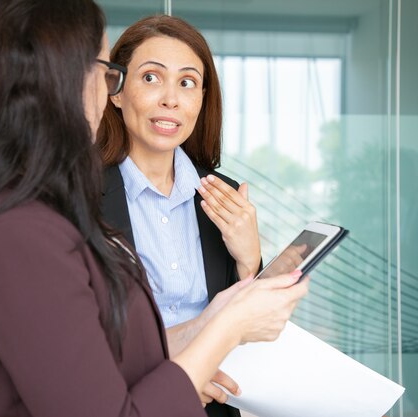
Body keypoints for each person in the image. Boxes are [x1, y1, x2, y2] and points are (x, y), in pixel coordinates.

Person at [0, 1, 308, 417]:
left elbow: (102, 358)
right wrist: (229, 325)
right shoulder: (19, 232)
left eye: (188, 83)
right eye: (106, 70)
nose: (109, 84)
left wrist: (218, 315)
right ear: (59, 79)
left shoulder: (42, 209)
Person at [97, 16, 262, 416]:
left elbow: (253, 328)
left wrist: (249, 261)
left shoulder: (223, 195)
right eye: (152, 78)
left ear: (202, 99)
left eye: (187, 83)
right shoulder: (77, 196)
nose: (171, 99)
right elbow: (75, 339)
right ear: (116, 92)